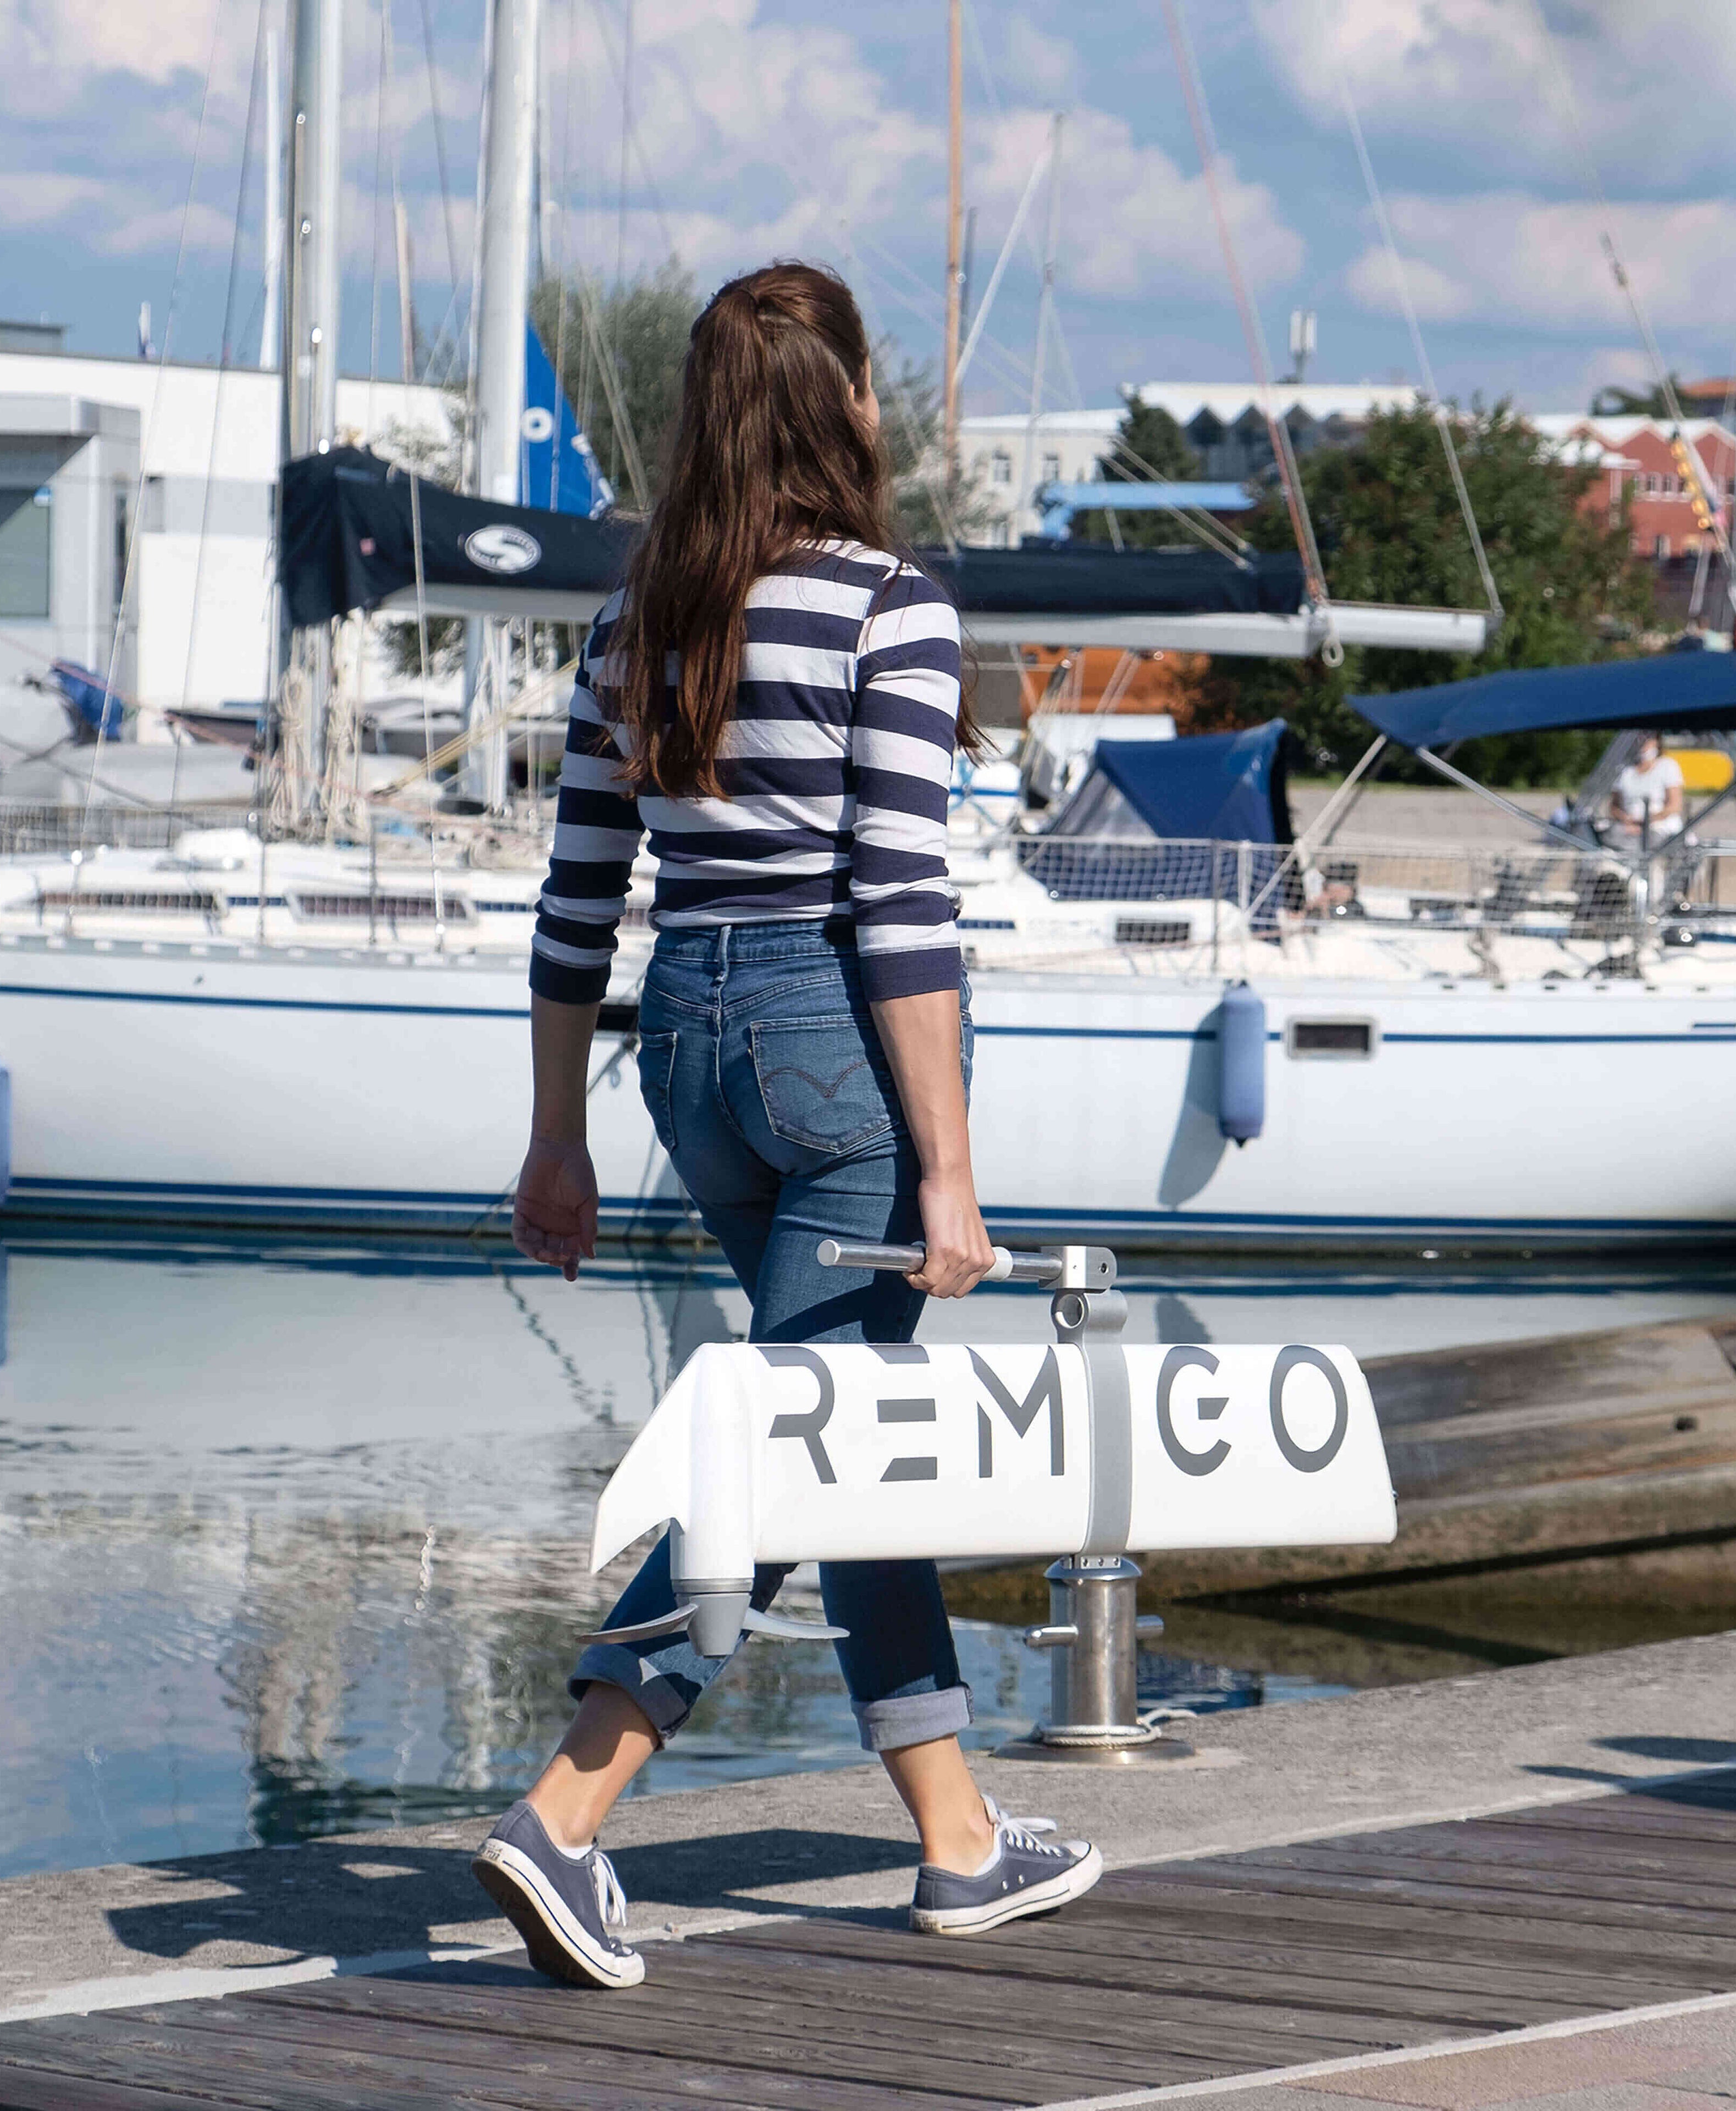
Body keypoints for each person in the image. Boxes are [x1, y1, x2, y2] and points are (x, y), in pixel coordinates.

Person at [473, 262, 1102, 1990]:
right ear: (845, 406)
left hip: (688, 1040)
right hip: (836, 1041)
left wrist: (556, 1138)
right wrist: (952, 1175)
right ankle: (568, 1806)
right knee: (792, 1444)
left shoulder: (637, 618)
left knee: (846, 1427)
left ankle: (963, 1839)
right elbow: (902, 899)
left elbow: (575, 900)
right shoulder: (889, 609)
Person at [1602, 731, 1686, 844]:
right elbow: (1614, 806)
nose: (1642, 740)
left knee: (1648, 841)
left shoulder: (1668, 766)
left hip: (1659, 828)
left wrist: (1647, 821)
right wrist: (1626, 820)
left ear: (1657, 740)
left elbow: (1675, 806)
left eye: (1648, 737)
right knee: (1611, 835)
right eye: (1639, 736)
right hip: (1629, 828)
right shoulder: (1624, 769)